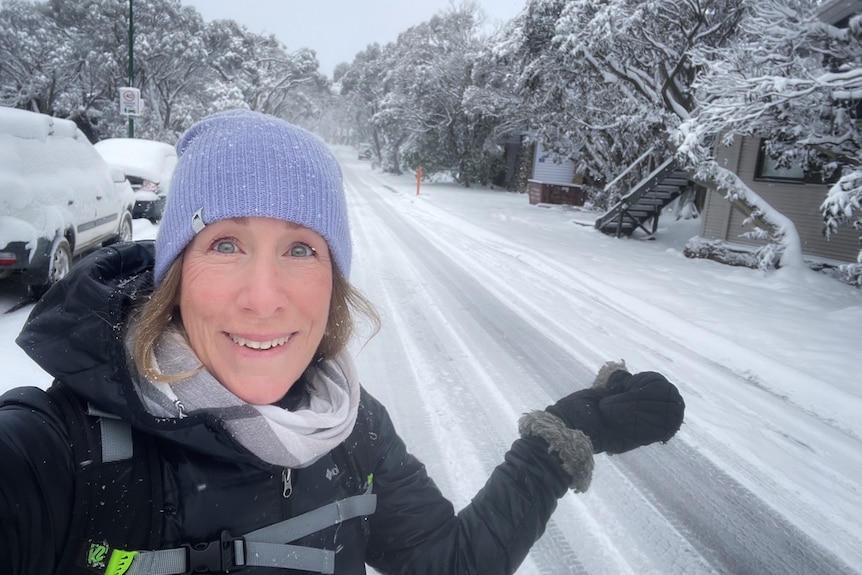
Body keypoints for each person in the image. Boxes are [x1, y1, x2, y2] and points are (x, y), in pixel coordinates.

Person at [0, 109, 685, 575]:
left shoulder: (353, 431)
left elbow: (448, 562)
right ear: (174, 275)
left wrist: (561, 437)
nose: (264, 295)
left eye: (301, 248)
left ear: (333, 282)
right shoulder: (58, 453)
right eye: (227, 243)